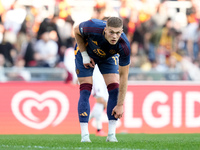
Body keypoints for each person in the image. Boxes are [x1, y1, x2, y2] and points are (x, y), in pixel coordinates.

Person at [74, 17, 131, 142]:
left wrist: (120, 105)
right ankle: (85, 136)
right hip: (85, 52)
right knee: (85, 89)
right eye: (111, 32)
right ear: (105, 29)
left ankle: (111, 135)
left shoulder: (124, 46)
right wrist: (84, 55)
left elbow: (124, 76)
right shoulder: (92, 26)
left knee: (114, 89)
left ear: (122, 31)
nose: (114, 36)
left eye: (118, 33)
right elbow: (76, 30)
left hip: (108, 57)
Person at [89, 65, 108, 137]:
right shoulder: (97, 73)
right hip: (97, 78)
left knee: (102, 102)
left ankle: (86, 119)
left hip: (103, 77)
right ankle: (99, 129)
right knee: (101, 100)